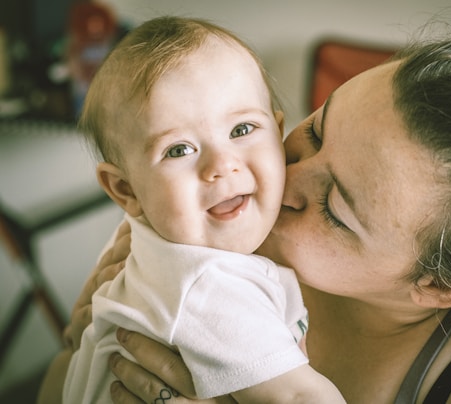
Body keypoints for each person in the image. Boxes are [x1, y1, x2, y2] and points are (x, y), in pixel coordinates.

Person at [39, 30, 451, 404]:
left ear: (436, 285)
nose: (278, 178)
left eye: (335, 209)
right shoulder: (205, 224)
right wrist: (75, 342)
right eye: (314, 129)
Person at [58, 16, 344, 404]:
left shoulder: (156, 241)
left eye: (242, 129)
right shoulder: (209, 285)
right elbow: (298, 397)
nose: (222, 165)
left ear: (277, 135)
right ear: (127, 190)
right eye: (179, 150)